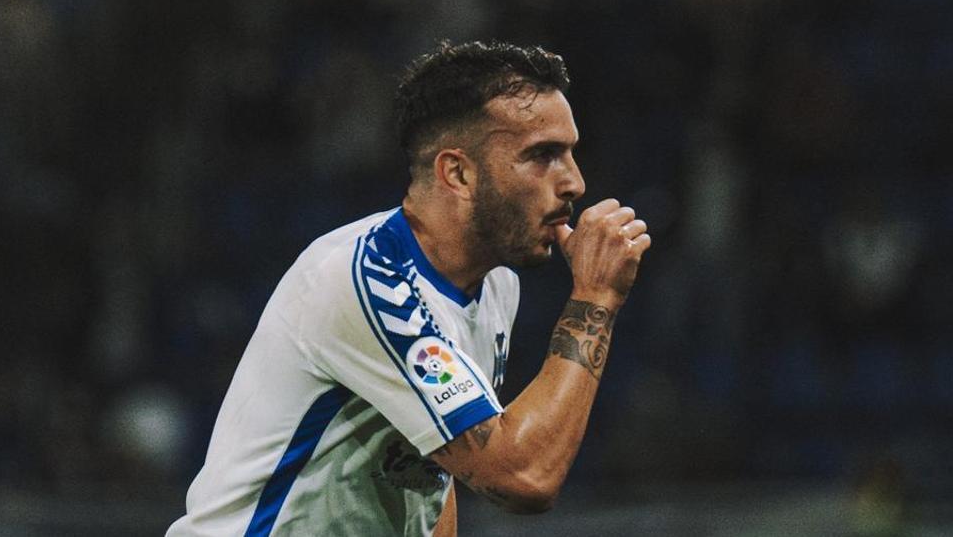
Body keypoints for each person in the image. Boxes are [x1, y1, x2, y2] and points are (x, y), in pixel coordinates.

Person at [167, 40, 651, 537]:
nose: (574, 181)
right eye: (542, 155)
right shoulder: (369, 280)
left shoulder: (496, 283)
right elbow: (522, 477)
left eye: (570, 152)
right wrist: (595, 299)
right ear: (457, 172)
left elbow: (436, 472)